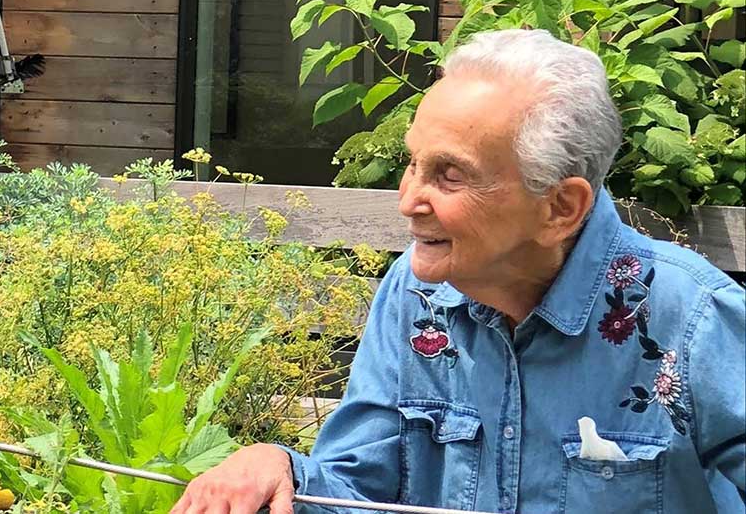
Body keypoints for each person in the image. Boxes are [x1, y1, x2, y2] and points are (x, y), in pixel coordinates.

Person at [173, 29, 745, 514]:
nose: (408, 200)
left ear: (559, 208)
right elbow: (359, 493)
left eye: (448, 175)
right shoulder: (415, 295)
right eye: (412, 162)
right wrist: (281, 470)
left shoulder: (689, 317)